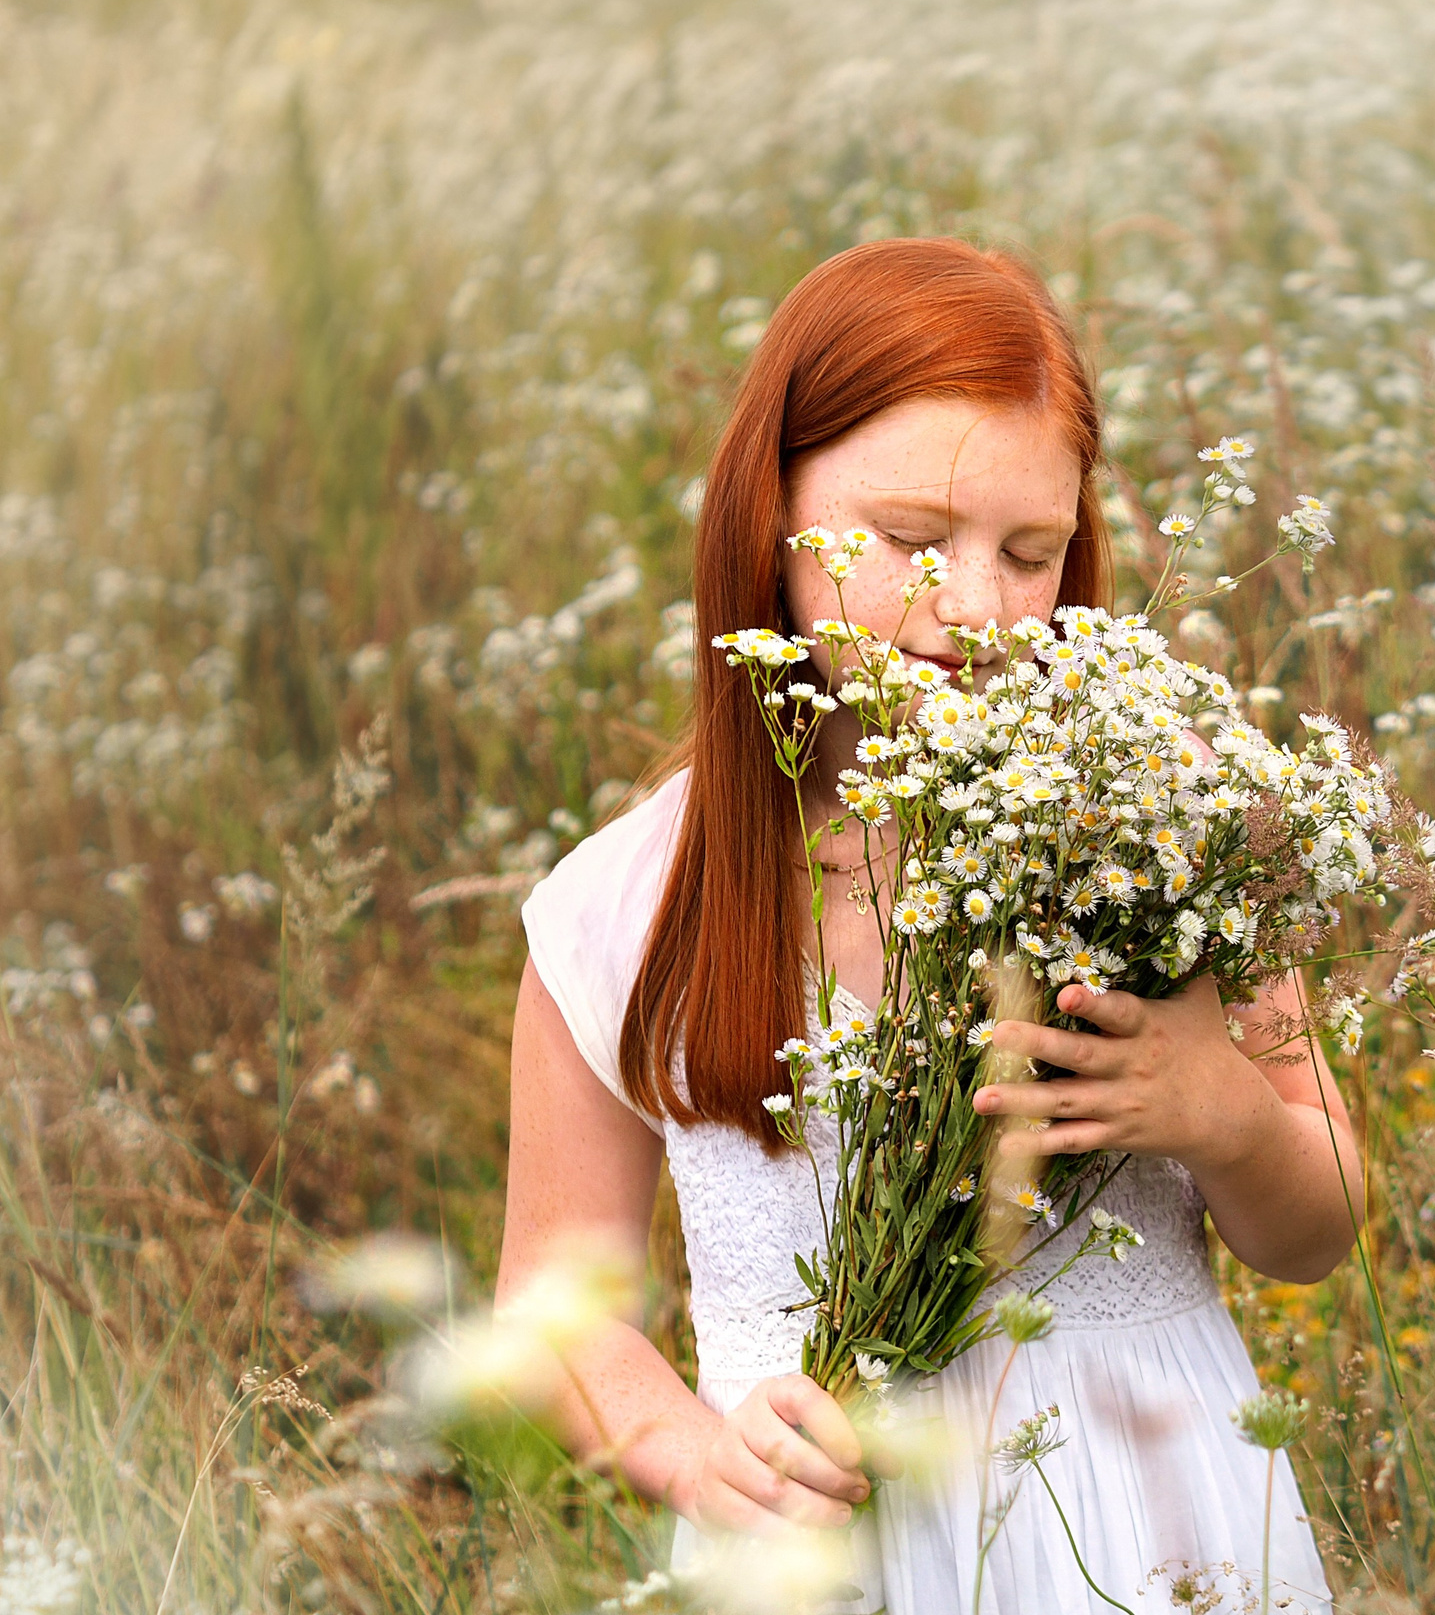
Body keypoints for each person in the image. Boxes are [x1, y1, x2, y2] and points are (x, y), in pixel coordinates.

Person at [497, 238, 1358, 1612]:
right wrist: (692, 1454)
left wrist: (1222, 1113)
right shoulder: (623, 906)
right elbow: (555, 1315)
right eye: (910, 541)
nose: (974, 607)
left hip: (1149, 1527)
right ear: (767, 514)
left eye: (1032, 553)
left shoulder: (1150, 833)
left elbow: (1313, 1229)